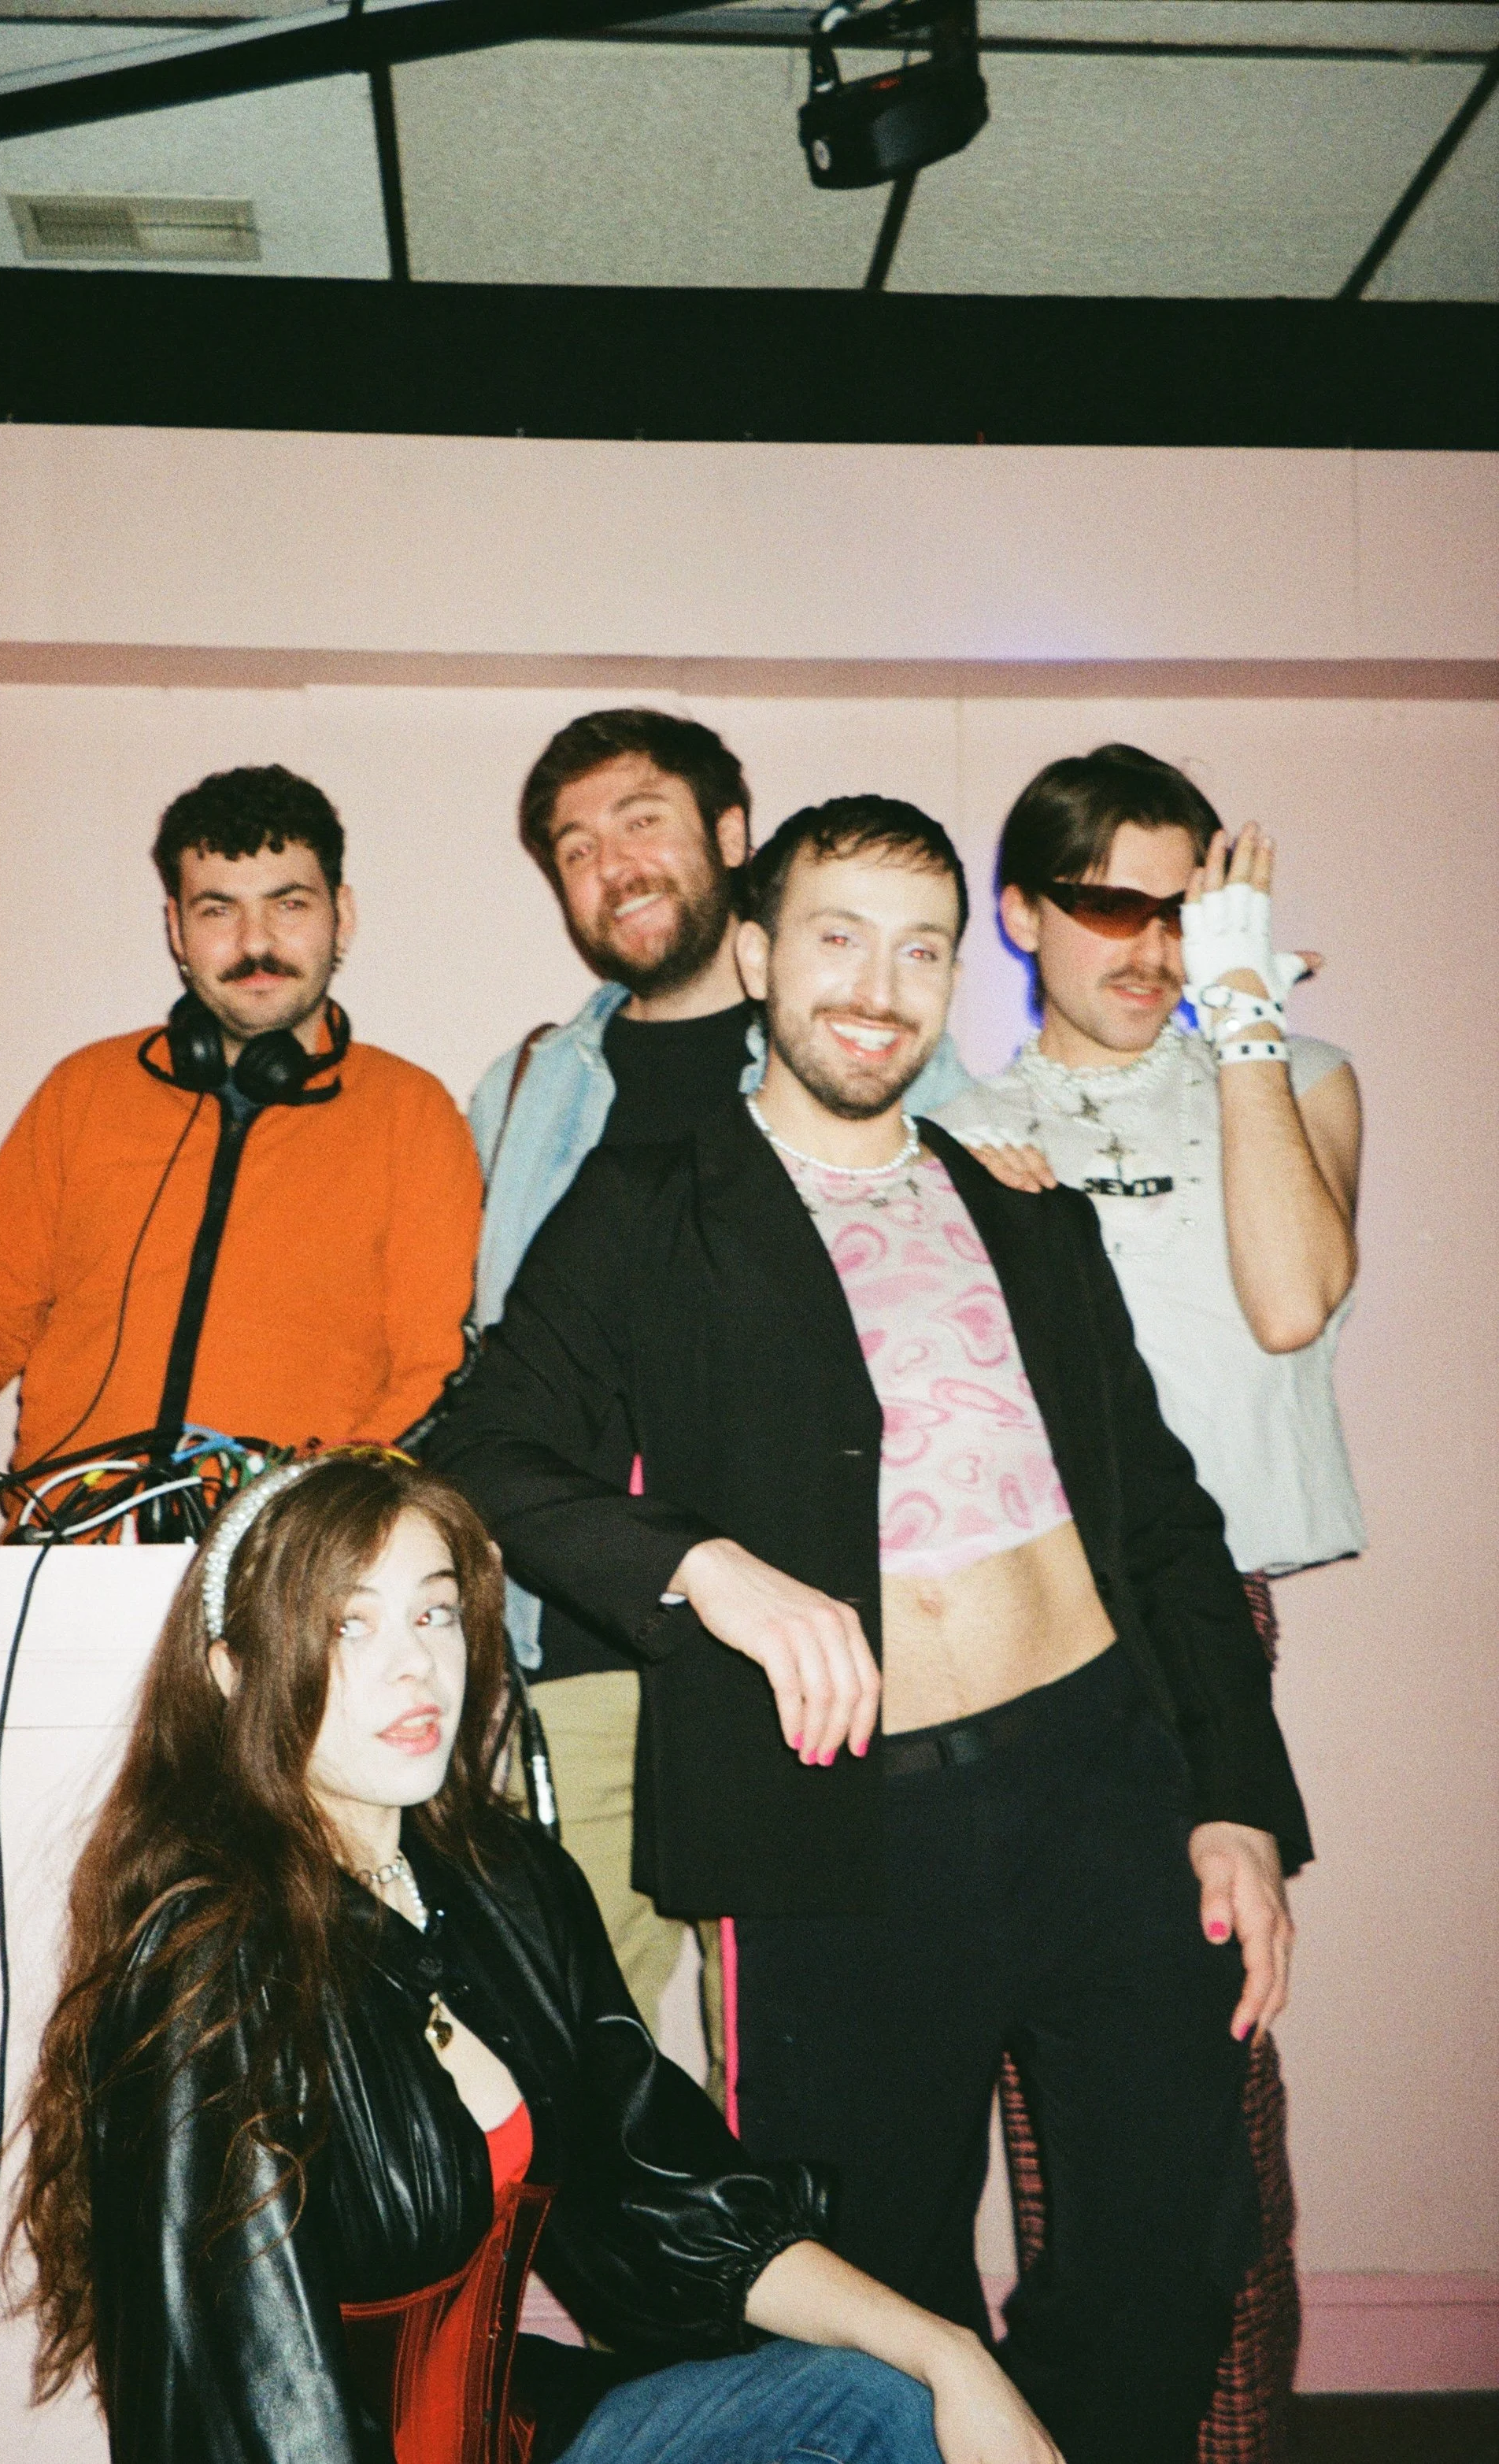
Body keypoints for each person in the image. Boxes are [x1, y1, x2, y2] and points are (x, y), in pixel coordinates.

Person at [428, 794, 1314, 2464]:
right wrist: (704, 1568)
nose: (875, 986)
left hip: (1102, 1786)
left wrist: (1234, 1798)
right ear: (758, 953)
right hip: (835, 1818)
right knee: (875, 2270)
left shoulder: (1020, 1205)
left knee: (1165, 2246)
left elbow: (1159, 1524)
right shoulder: (645, 1202)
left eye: (920, 950)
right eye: (834, 935)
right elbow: (478, 1449)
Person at [7, 1447, 1059, 2464]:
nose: (414, 1661)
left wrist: (948, 2352)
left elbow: (667, 2189)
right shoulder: (206, 1968)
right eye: (347, 1624)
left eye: (431, 1611)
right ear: (236, 1672)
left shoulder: (504, 1882)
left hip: (526, 2429)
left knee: (884, 2408)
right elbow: (252, 2406)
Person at [938, 742, 1364, 2464]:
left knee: (1207, 2134)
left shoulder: (1294, 1069)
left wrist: (1242, 999)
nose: (1148, 942)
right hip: (999, 1639)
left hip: (1200, 1634)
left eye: (1184, 903)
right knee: (1050, 2133)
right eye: (1106, 900)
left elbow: (1289, 1304)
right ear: (1020, 913)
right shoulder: (952, 1119)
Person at [468, 708, 971, 2034]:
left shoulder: (882, 1061)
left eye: (641, 819)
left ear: (733, 840)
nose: (612, 863)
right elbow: (488, 1390)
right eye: (575, 846)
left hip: (817, 1664)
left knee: (795, 2073)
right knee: (580, 2065)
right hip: (581, 1652)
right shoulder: (525, 1090)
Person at [0, 765, 481, 1500]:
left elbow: (431, 1370)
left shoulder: (410, 1114)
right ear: (176, 929)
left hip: (288, 1573)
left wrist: (312, 1531)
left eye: (288, 905)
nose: (256, 942)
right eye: (218, 911)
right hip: (68, 1560)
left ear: (340, 917)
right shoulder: (84, 1093)